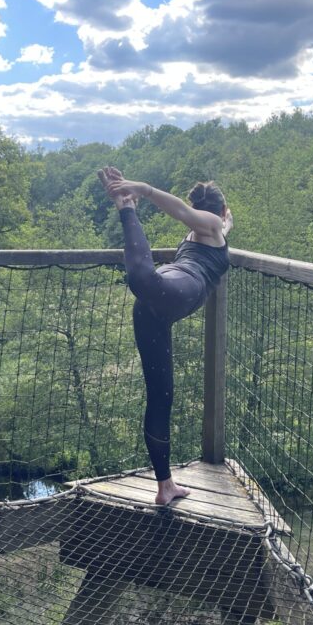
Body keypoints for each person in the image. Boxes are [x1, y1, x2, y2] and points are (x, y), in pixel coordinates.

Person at [98, 166, 232, 505]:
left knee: (161, 397)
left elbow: (200, 216)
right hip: (176, 290)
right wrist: (143, 189)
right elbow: (188, 213)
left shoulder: (214, 226)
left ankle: (165, 486)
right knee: (144, 281)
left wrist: (140, 190)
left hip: (159, 301)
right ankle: (126, 209)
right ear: (221, 211)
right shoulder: (214, 225)